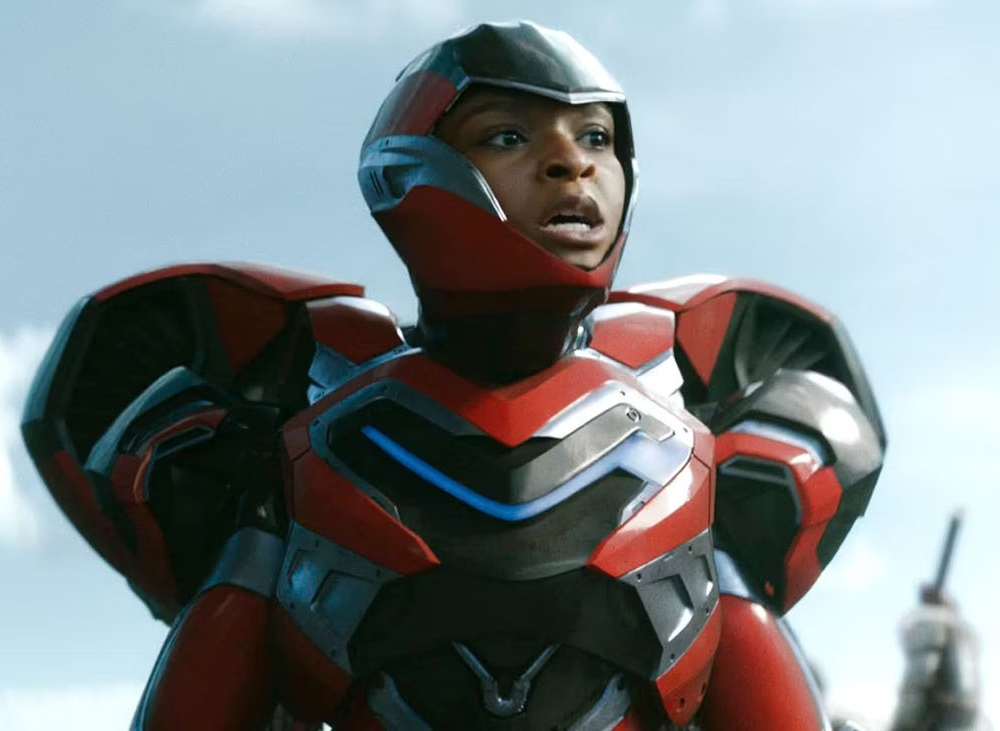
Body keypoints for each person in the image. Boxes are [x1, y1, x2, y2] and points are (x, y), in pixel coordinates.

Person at [21, 21, 885, 730]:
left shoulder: (677, 394)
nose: (573, 164)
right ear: (409, 168)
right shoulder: (311, 398)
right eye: (509, 135)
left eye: (595, 137)